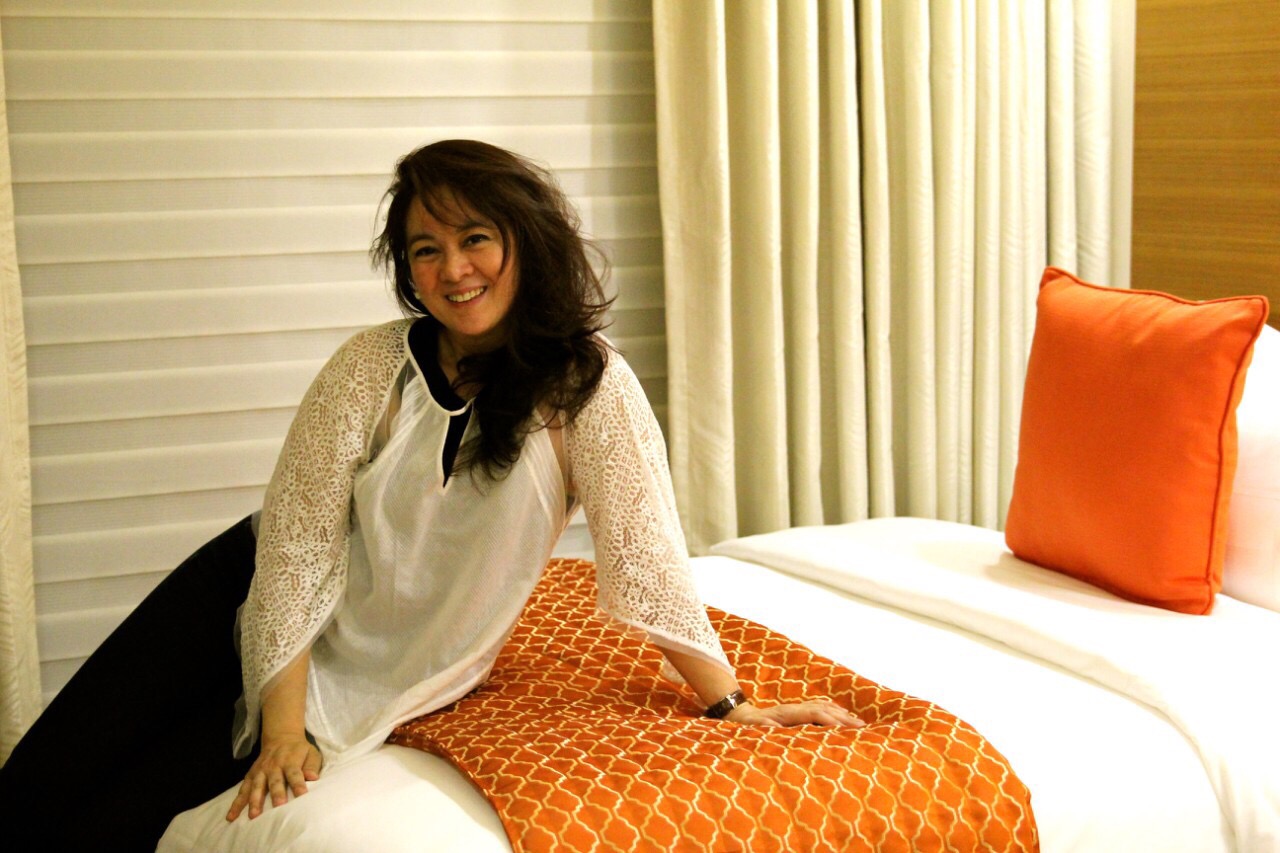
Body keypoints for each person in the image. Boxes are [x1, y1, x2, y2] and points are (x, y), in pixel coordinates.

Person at [0, 139, 862, 850]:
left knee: (118, 818)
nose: (453, 269)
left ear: (525, 242)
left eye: (475, 238)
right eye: (425, 249)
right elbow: (295, 548)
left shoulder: (586, 386)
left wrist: (733, 704)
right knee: (44, 778)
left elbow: (648, 559)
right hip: (245, 594)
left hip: (373, 662)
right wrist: (283, 725)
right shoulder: (368, 366)